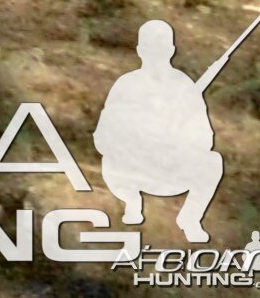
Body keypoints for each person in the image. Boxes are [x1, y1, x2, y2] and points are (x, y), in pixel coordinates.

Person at [96, 18, 229, 243]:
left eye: (162, 45)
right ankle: (131, 203)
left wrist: (178, 137)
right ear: (139, 49)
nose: (156, 52)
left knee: (212, 162)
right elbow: (104, 134)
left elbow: (204, 136)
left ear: (171, 49)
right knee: (112, 161)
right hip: (133, 167)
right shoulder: (126, 84)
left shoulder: (184, 86)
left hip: (170, 166)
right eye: (150, 45)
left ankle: (190, 218)